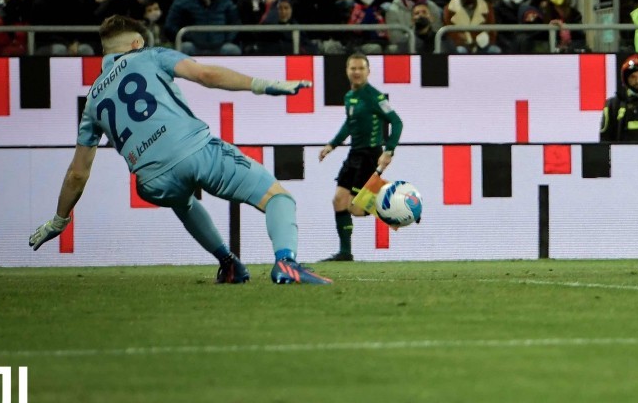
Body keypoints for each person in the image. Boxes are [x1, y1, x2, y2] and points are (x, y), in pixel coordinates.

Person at [28, 15, 329, 285]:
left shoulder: (92, 101)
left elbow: (78, 173)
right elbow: (206, 75)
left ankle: (228, 264)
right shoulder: (149, 55)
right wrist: (263, 84)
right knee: (278, 198)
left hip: (151, 182)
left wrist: (59, 219)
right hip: (195, 152)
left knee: (183, 203)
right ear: (137, 43)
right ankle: (286, 263)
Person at [316, 53, 403, 262]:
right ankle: (345, 253)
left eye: (361, 68)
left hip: (369, 155)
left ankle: (394, 208)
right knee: (339, 200)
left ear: (368, 71)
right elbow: (349, 123)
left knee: (355, 208)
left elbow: (397, 122)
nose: (357, 72)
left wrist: (389, 150)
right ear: (347, 71)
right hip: (354, 154)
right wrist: (332, 145)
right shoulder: (349, 97)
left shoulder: (375, 97)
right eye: (353, 68)